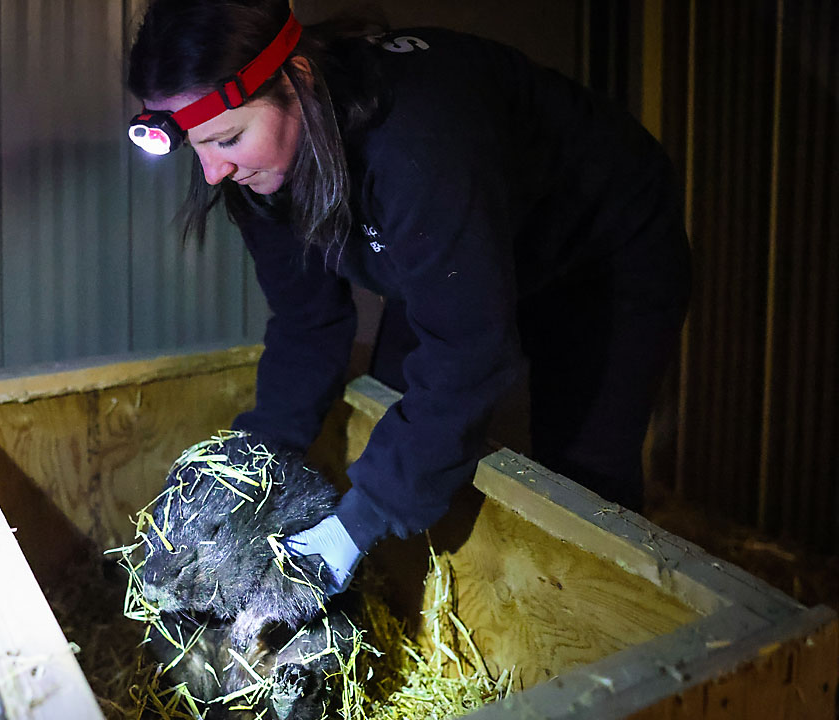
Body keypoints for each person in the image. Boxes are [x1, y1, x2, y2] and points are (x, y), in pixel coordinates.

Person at [126, 0, 691, 595]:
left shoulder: (416, 135)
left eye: (230, 138)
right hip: (464, 251)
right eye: (197, 148)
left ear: (298, 77)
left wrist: (354, 526)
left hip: (599, 250)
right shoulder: (256, 169)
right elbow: (306, 321)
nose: (213, 172)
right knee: (395, 409)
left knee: (582, 487)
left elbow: (469, 350)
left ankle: (604, 653)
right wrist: (250, 460)